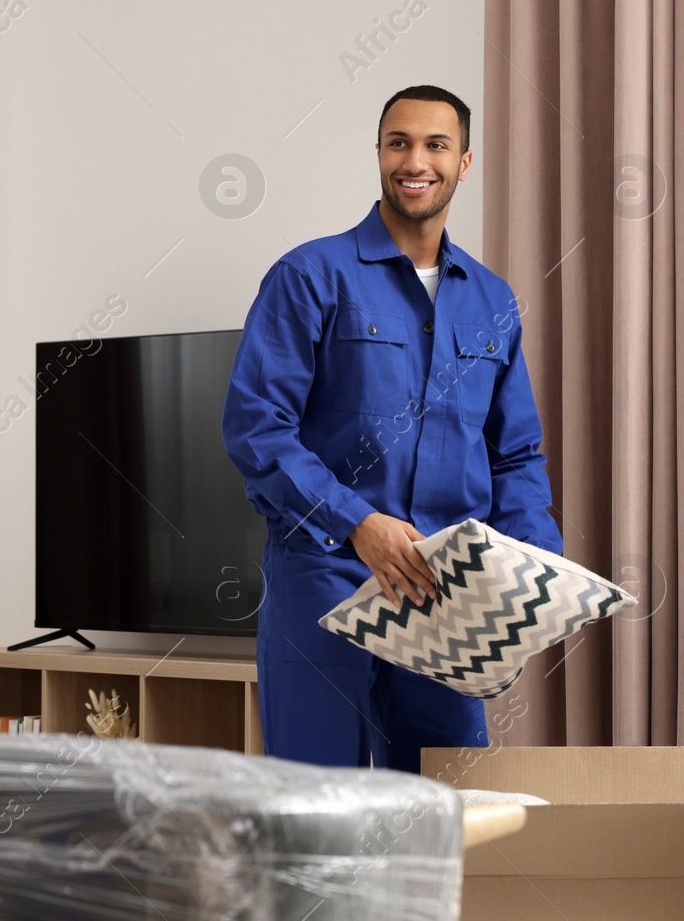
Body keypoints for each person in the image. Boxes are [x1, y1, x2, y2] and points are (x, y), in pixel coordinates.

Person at [222, 85, 561, 771]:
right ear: (379, 154)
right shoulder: (310, 275)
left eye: (436, 144)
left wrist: (533, 568)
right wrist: (358, 522)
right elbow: (258, 427)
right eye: (399, 142)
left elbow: (515, 454)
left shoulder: (492, 300)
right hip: (326, 577)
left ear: (464, 162)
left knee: (446, 805)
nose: (416, 160)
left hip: (446, 593)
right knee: (320, 810)